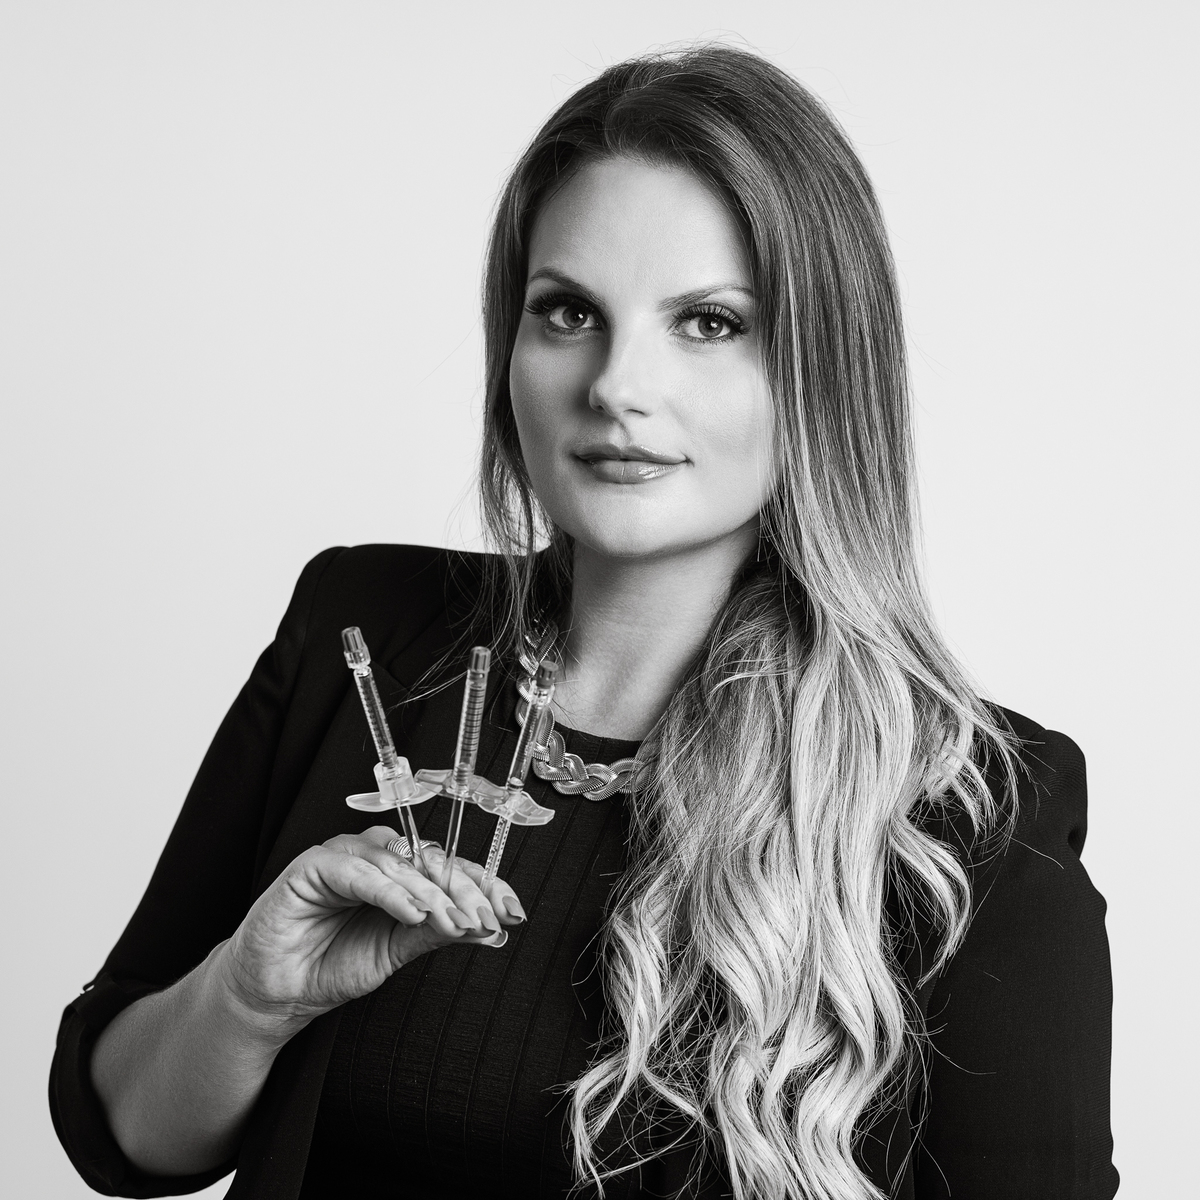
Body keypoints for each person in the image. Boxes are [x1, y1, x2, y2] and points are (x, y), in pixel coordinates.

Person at [49, 45, 1118, 1200]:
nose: (615, 386)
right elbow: (125, 1139)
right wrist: (252, 996)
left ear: (822, 367)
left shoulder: (970, 812)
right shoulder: (364, 635)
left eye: (708, 322)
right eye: (567, 312)